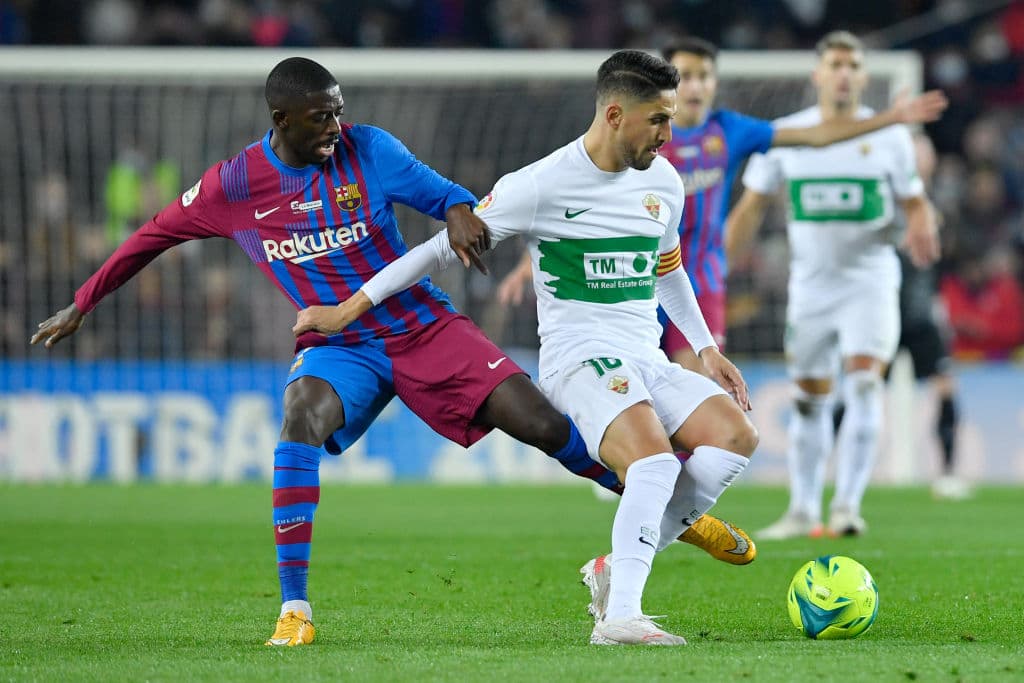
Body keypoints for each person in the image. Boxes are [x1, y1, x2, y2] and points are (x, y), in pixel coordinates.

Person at [30, 56, 753, 648]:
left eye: (341, 110)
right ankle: (295, 607)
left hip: (425, 328)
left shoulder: (369, 149)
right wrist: (83, 302)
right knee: (300, 416)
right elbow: (151, 234)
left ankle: (675, 517)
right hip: (341, 342)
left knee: (544, 423)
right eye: (322, 116)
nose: (336, 126)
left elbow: (450, 198)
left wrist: (464, 213)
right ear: (282, 120)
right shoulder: (235, 185)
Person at [294, 49, 759, 646]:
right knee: (655, 463)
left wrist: (704, 347)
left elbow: (667, 267)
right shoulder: (540, 185)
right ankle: (620, 618)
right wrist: (347, 310)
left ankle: (615, 568)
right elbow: (437, 250)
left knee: (736, 436)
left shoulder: (664, 184)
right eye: (658, 120)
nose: (670, 135)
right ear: (615, 114)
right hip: (579, 359)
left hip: (644, 355)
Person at [496, 37, 948, 377]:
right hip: (629, 274)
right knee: (629, 383)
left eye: (703, 76)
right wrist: (527, 261)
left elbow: (813, 135)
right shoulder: (635, 138)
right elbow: (574, 197)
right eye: (685, 75)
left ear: (714, 83)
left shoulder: (729, 131)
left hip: (700, 280)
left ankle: (679, 496)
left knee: (694, 391)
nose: (694, 85)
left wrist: (888, 119)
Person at [726, 31, 941, 539]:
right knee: (809, 399)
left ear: (863, 77)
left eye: (852, 65)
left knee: (866, 383)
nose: (844, 73)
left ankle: (846, 507)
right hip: (811, 288)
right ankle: (802, 509)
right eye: (835, 64)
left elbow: (913, 199)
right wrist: (720, 265)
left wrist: (921, 221)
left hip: (869, 282)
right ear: (818, 75)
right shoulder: (787, 134)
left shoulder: (889, 137)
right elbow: (752, 204)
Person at [833, 132, 968, 499]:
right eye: (912, 152)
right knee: (858, 389)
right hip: (881, 312)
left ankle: (948, 473)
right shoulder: (878, 200)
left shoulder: (940, 205)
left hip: (922, 315)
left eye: (924, 152)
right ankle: (830, 464)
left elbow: (947, 262)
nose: (918, 159)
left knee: (945, 387)